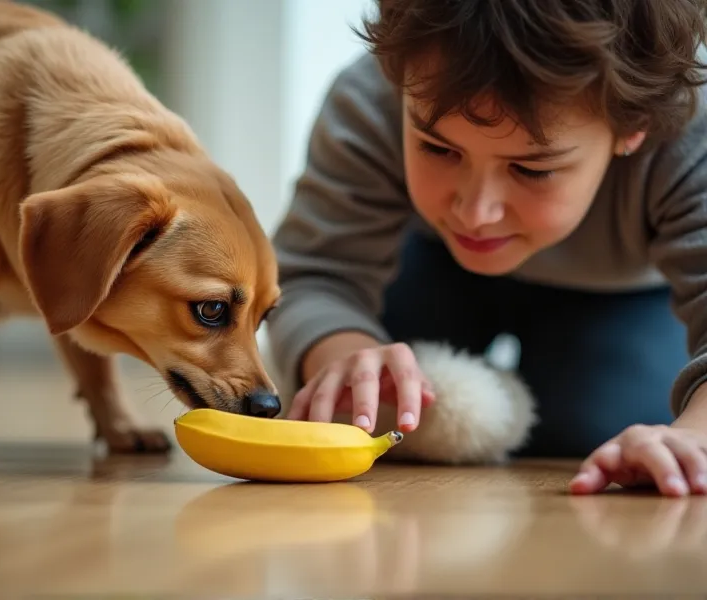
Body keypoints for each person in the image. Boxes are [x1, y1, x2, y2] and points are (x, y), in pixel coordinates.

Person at [265, 0, 707, 497]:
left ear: (633, 128)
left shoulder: (694, 126)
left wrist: (696, 434)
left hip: (626, 294)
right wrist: (343, 354)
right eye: (438, 148)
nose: (476, 213)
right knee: (387, 406)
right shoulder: (376, 92)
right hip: (427, 261)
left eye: (533, 169)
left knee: (599, 427)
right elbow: (317, 273)